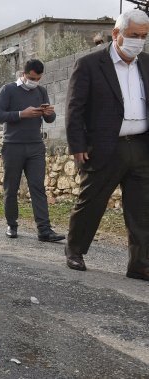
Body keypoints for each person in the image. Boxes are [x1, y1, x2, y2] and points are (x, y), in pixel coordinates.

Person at [64, 10, 149, 281]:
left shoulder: (146, 63)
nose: (139, 41)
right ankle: (75, 250)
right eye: (134, 35)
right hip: (104, 147)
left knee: (142, 208)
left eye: (144, 36)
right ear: (116, 34)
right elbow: (74, 109)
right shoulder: (89, 65)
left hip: (141, 145)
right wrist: (77, 144)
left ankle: (140, 264)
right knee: (91, 202)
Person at [0, 59, 65, 242]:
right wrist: (21, 114)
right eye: (32, 77)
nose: (35, 81)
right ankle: (12, 225)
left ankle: (44, 230)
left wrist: (49, 113)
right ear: (23, 74)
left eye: (39, 78)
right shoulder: (7, 90)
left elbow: (50, 119)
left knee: (38, 187)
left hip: (35, 146)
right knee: (11, 187)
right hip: (13, 146)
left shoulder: (41, 91)